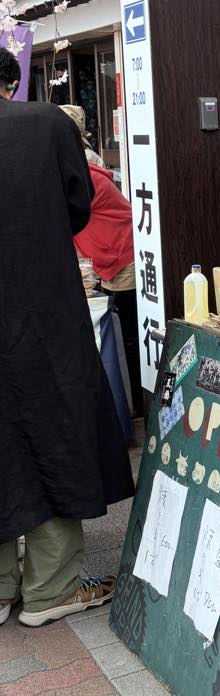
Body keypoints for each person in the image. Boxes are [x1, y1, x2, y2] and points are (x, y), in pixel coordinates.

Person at [0, 97, 134, 626]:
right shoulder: (44, 124)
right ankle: (49, 588)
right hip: (40, 305)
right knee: (52, 425)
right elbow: (77, 205)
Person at [60, 105, 143, 415]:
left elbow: (63, 215)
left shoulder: (85, 175)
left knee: (128, 337)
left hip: (123, 259)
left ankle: (137, 405)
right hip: (105, 262)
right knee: (119, 335)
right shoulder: (78, 168)